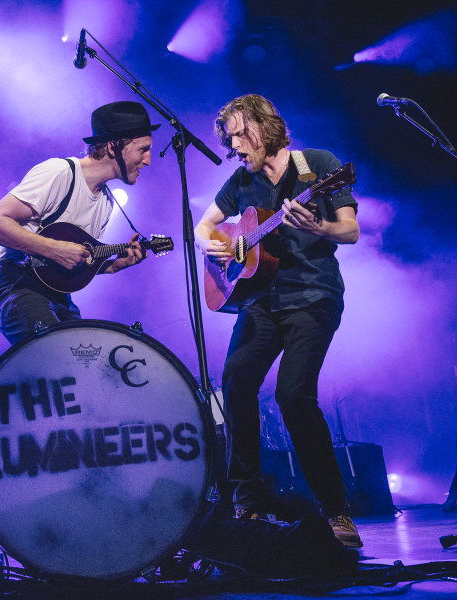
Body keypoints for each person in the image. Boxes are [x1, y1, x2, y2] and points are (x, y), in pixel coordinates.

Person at [194, 94, 362, 548]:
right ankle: (247, 503)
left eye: (238, 135)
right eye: (228, 139)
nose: (234, 147)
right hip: (261, 302)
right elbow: (203, 225)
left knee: (293, 395)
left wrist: (319, 228)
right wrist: (217, 245)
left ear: (264, 128)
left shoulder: (318, 167)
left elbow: (350, 230)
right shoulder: (239, 182)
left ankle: (336, 511)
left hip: (313, 298)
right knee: (235, 382)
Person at [0, 101, 158, 345]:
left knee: (85, 365)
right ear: (113, 146)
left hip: (59, 295)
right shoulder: (59, 173)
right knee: (59, 357)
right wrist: (53, 249)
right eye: (143, 150)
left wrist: (114, 266)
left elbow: (75, 261)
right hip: (18, 285)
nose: (148, 160)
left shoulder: (106, 202)